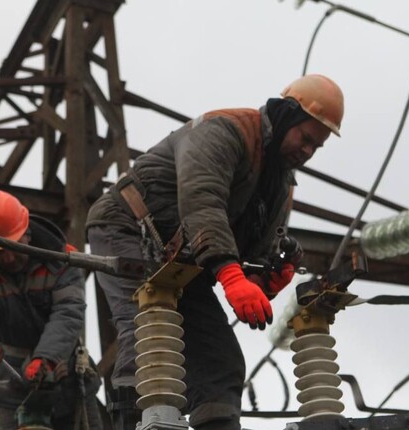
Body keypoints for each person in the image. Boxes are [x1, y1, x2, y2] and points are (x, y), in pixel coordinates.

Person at [86, 74, 344, 430]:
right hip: (127, 225)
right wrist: (232, 276)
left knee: (221, 363)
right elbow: (202, 203)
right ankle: (132, 424)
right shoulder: (225, 131)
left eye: (316, 146)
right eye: (306, 137)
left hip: (182, 260)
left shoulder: (279, 185)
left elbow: (251, 250)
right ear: (288, 116)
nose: (307, 151)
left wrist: (262, 278)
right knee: (147, 333)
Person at [0, 190, 103, 430]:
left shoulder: (64, 260)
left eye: (12, 246)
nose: (8, 257)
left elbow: (68, 313)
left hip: (67, 380)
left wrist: (46, 357)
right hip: (10, 385)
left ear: (26, 232)